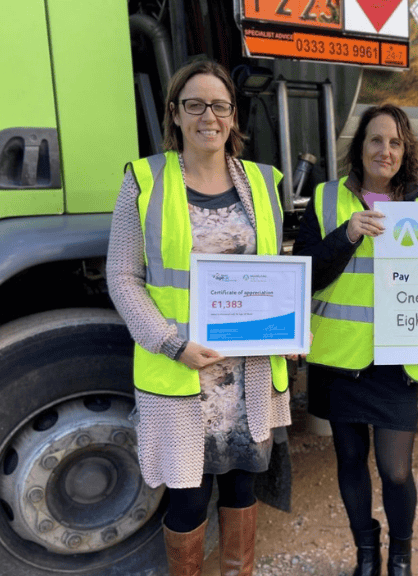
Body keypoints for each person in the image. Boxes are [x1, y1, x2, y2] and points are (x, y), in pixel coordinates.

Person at [107, 59, 292, 576]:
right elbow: (122, 276)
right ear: (174, 113)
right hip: (182, 370)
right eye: (195, 105)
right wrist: (171, 344)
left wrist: (288, 325)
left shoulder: (263, 182)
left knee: (241, 488)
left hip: (249, 371)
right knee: (188, 500)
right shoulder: (144, 180)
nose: (208, 117)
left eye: (219, 106)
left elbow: (276, 271)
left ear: (233, 116)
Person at [293, 103, 418, 576]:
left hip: (398, 360)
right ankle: (367, 551)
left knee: (396, 471)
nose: (386, 150)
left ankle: (401, 553)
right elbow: (303, 276)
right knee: (349, 459)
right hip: (340, 357)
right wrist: (346, 235)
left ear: (407, 151)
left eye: (395, 142)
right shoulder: (327, 199)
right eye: (376, 140)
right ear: (360, 147)